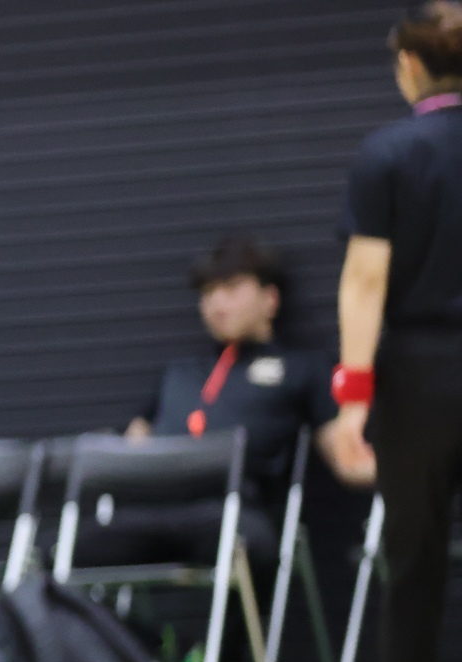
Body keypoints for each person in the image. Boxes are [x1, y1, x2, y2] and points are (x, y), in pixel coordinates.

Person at [336, 0, 462, 662]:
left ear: (410, 65)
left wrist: (354, 395)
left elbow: (365, 280)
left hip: (418, 376)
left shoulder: (386, 153)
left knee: (412, 559)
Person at [96, 235, 369, 569]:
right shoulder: (180, 373)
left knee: (234, 536)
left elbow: (347, 459)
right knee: (68, 545)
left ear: (270, 298)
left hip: (235, 509)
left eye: (232, 287)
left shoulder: (302, 369)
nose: (217, 303)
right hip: (155, 509)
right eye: (208, 292)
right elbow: (130, 449)